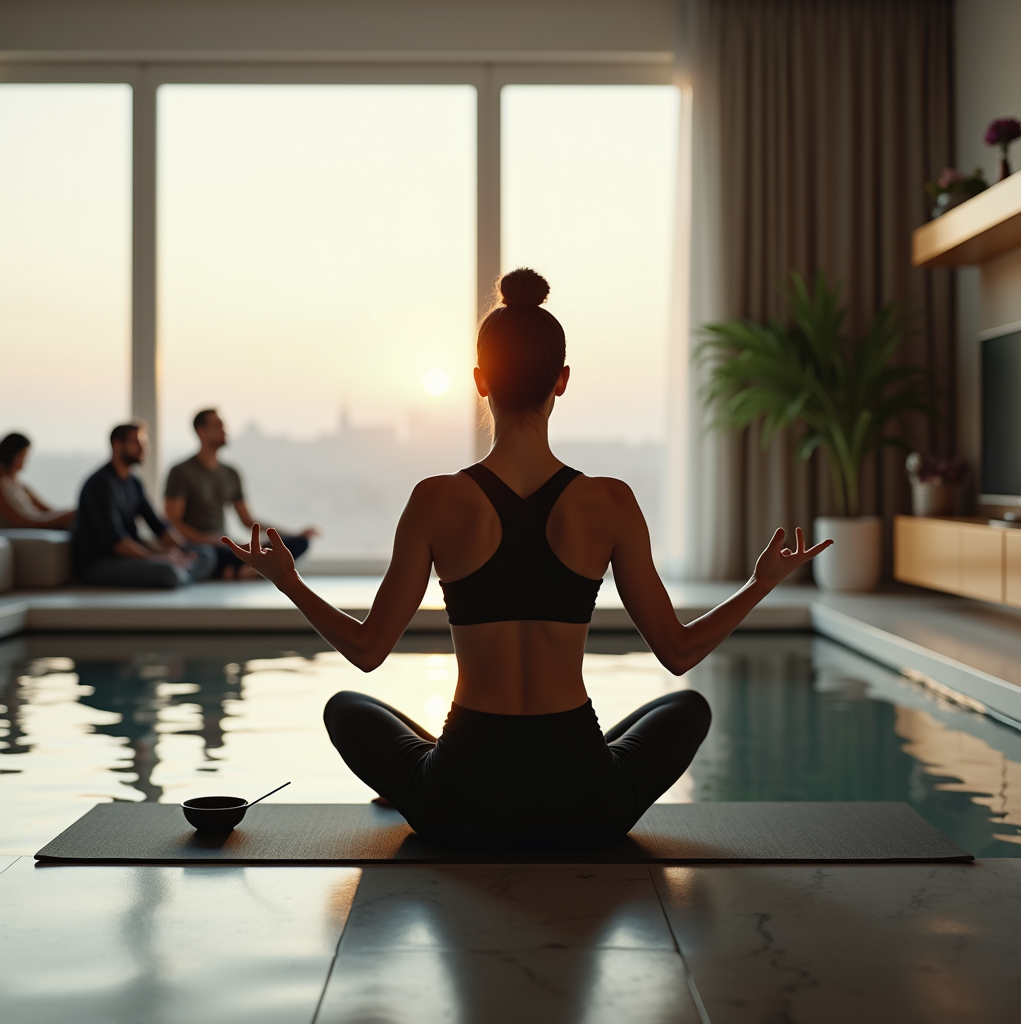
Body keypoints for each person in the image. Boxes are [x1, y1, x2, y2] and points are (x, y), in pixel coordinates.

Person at [225, 268, 832, 850]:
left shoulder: (435, 499)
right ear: (561, 379)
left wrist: (290, 582)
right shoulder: (609, 502)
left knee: (346, 709)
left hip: (456, 807)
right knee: (687, 708)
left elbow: (366, 652)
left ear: (480, 380)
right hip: (587, 809)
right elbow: (678, 655)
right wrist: (759, 583)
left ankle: (438, 760)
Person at [164, 409, 316, 579]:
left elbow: (248, 521)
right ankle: (238, 570)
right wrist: (208, 540)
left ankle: (238, 571)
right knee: (208, 556)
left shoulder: (231, 473)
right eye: (218, 426)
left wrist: (291, 534)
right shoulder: (181, 472)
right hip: (201, 548)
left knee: (298, 544)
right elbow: (172, 523)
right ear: (201, 431)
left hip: (225, 546)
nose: (224, 431)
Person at [74, 422, 217, 588]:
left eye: (144, 444)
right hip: (101, 563)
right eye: (137, 443)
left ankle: (184, 572)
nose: (144, 449)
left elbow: (157, 524)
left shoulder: (134, 482)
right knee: (168, 572)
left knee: (206, 554)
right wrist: (158, 558)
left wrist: (183, 551)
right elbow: (116, 542)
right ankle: (183, 573)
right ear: (117, 444)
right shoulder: (100, 484)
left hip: (128, 558)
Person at [0, 433, 76, 530]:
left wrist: (68, 515)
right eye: (23, 456)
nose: (25, 461)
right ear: (13, 455)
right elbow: (21, 521)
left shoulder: (21, 486)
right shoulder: (2, 485)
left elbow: (49, 510)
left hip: (31, 522)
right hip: (21, 529)